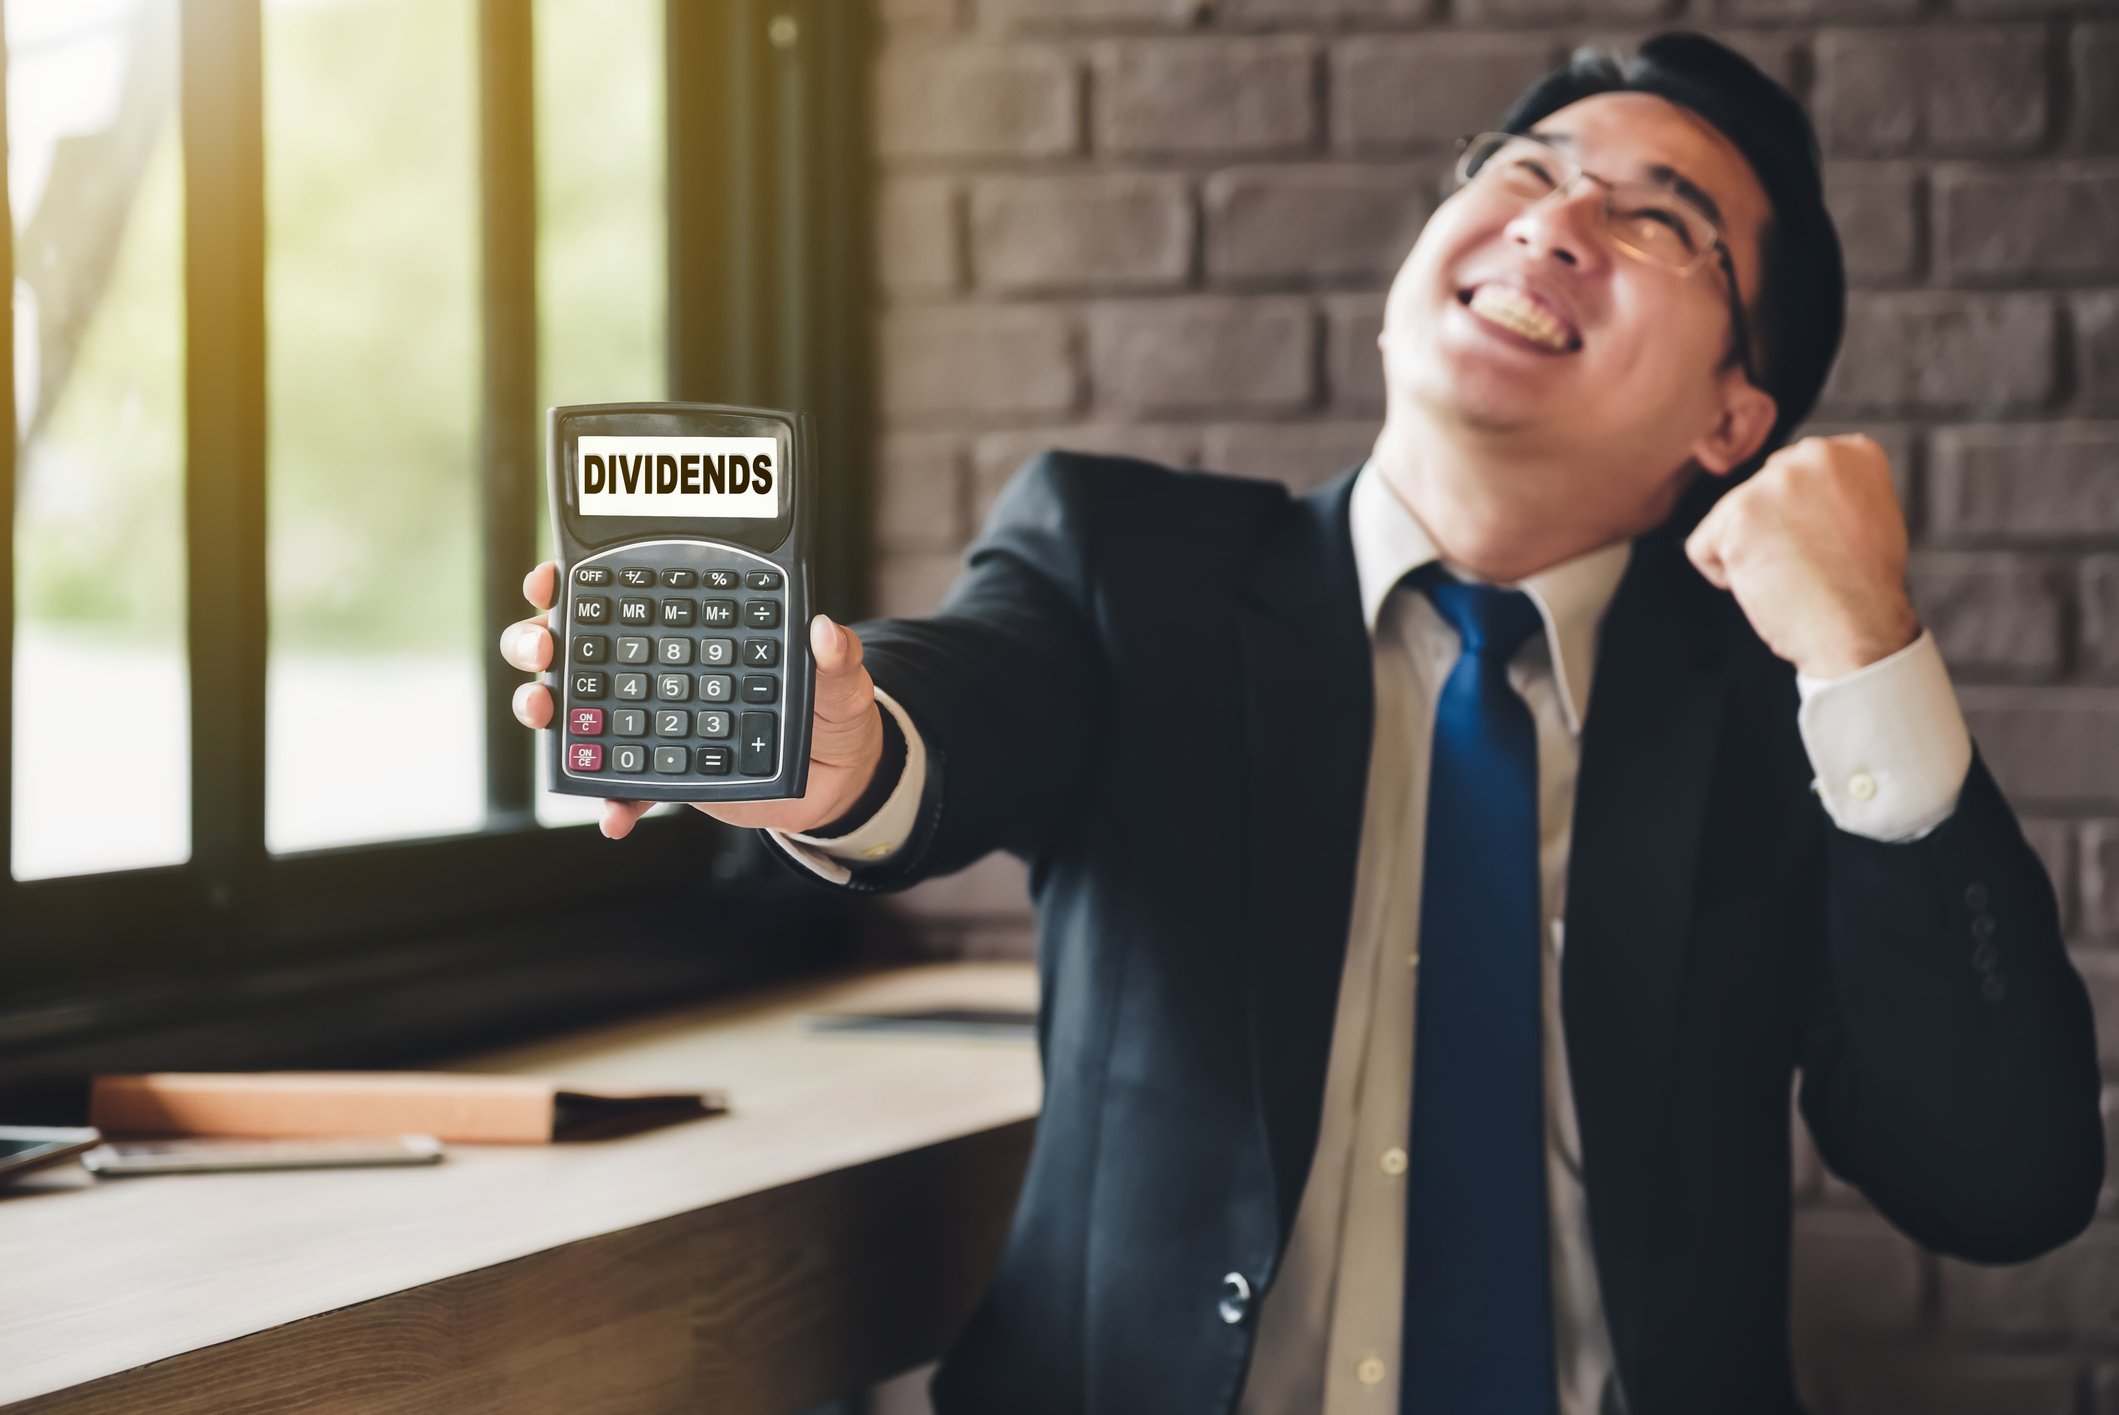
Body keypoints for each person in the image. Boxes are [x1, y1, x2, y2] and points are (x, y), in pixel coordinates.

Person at [499, 31, 2104, 1415]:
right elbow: (965, 701)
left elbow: (2003, 1181)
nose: (1555, 224)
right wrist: (833, 743)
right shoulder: (1125, 567)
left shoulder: (1785, 713)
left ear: (1735, 419)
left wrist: (1872, 654)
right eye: (1529, 168)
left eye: (1659, 219)